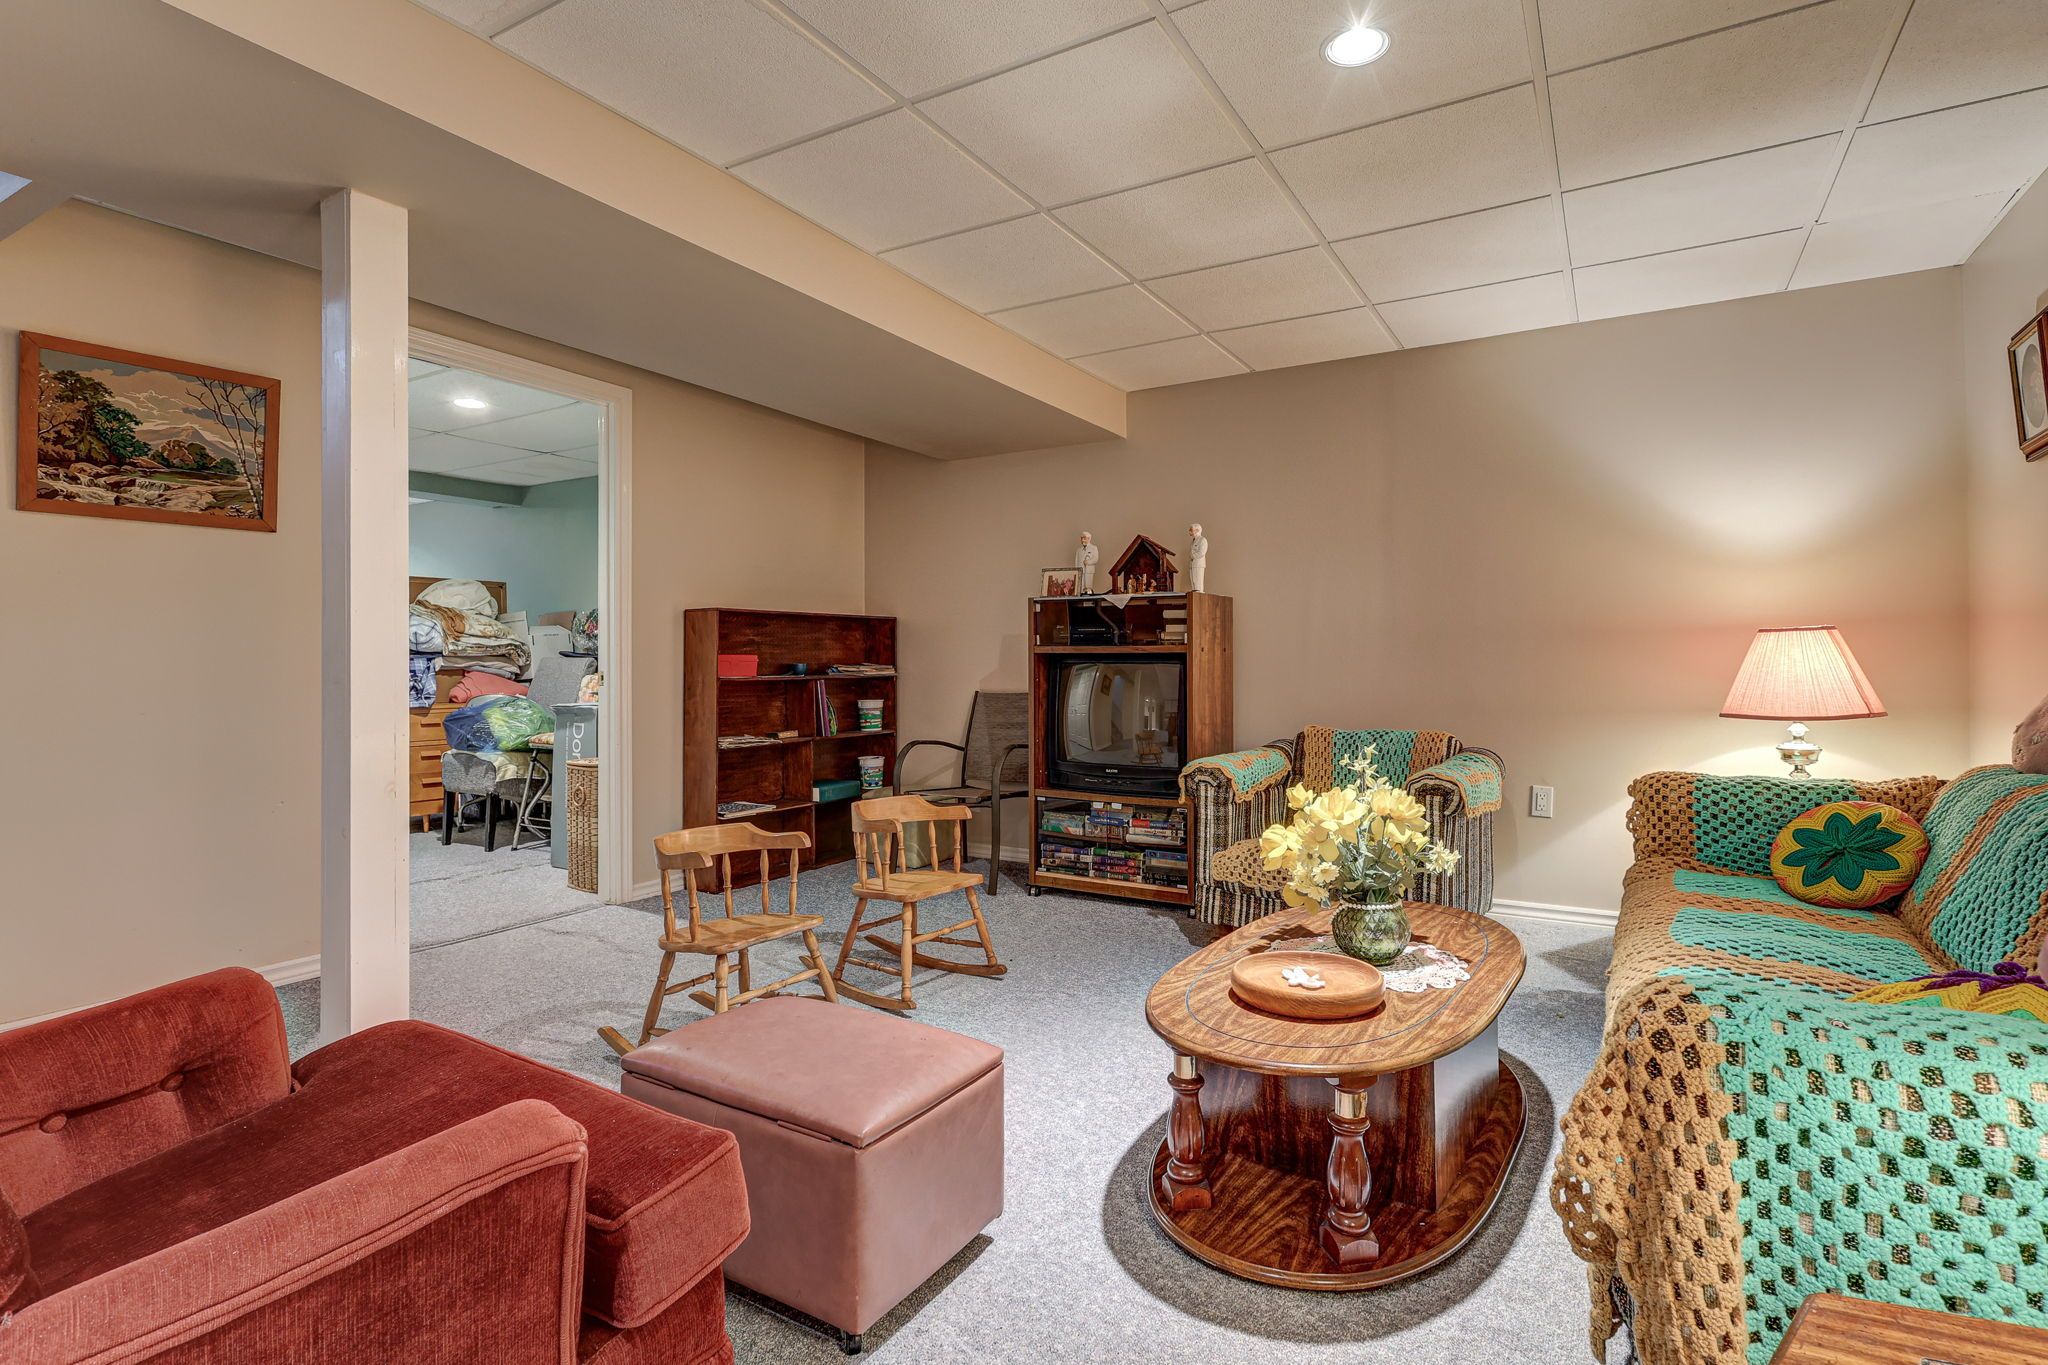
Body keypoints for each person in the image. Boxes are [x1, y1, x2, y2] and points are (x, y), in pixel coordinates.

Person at [1188, 523, 1208, 593]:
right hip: (1192, 564)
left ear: (1197, 530)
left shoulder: (1202, 540)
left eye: (1191, 530)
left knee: (1198, 583)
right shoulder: (1193, 541)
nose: (1189, 531)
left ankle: (1199, 596)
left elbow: (1202, 552)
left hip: (1198, 564)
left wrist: (1193, 556)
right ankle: (1194, 595)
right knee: (1193, 582)